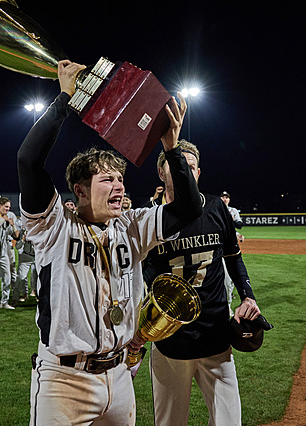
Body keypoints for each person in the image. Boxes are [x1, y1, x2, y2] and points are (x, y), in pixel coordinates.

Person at [17, 60, 202, 425]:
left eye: (120, 178)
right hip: (64, 379)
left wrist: (171, 148)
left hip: (119, 375)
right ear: (80, 191)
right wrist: (65, 100)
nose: (119, 186)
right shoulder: (55, 225)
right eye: (106, 180)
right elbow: (27, 159)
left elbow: (189, 207)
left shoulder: (131, 226)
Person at [142, 140, 261, 426]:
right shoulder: (146, 220)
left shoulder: (217, 207)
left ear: (198, 173)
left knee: (229, 421)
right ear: (161, 173)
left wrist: (248, 295)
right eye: (177, 166)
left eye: (191, 167)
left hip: (215, 335)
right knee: (170, 422)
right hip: (170, 340)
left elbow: (233, 257)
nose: (185, 172)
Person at [221, 190, 245, 315]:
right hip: (217, 247)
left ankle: (228, 305)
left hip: (229, 248)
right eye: (223, 197)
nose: (225, 199)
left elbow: (239, 225)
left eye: (227, 197)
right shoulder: (216, 209)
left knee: (228, 279)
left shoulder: (233, 211)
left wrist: (236, 233)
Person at [11, 227, 35, 305]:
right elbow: (17, 246)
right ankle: (16, 298)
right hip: (26, 256)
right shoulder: (24, 230)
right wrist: (23, 240)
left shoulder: (41, 228)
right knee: (20, 277)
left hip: (38, 256)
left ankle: (41, 297)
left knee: (40, 278)